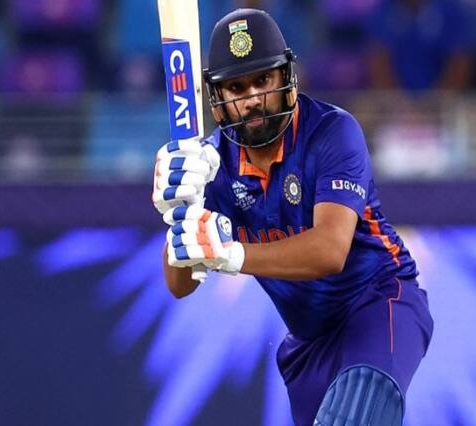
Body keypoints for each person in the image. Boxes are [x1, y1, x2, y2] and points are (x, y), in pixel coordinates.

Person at [152, 8, 433, 426]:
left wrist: (228, 254)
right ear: (218, 97)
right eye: (236, 87)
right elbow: (180, 285)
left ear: (286, 78)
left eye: (262, 80)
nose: (252, 99)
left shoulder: (333, 132)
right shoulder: (210, 165)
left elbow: (330, 251)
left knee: (357, 409)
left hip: (379, 301)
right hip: (308, 343)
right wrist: (179, 213)